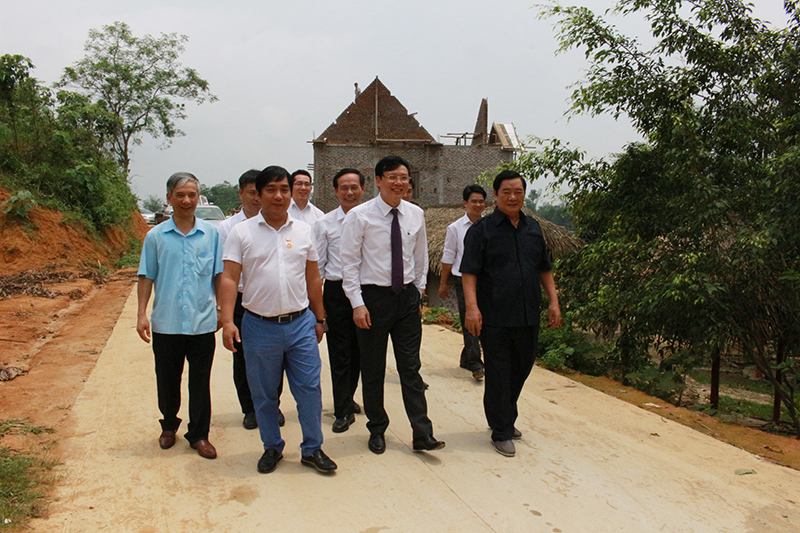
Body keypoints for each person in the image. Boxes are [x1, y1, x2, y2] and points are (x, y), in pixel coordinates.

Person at [220, 166, 336, 474]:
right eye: (271, 190)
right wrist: (228, 320)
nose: (279, 196)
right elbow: (230, 278)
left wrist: (320, 317)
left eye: (284, 189)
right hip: (259, 326)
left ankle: (313, 448)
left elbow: (313, 278)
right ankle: (272, 447)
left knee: (310, 390)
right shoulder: (241, 233)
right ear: (258, 194)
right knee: (265, 394)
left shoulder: (303, 230)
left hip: (300, 325)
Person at [340, 155, 444, 455]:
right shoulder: (359, 216)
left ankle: (422, 433)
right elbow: (349, 264)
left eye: (404, 177)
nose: (400, 182)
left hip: (407, 299)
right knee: (372, 368)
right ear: (378, 181)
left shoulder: (415, 214)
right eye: (393, 177)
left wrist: (419, 291)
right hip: (373, 300)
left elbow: (421, 257)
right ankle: (377, 429)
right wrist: (357, 304)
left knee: (411, 367)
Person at [461, 170, 563, 458]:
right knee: (499, 372)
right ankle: (501, 429)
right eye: (506, 191)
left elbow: (544, 268)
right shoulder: (481, 231)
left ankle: (505, 414)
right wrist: (472, 308)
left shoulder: (533, 229)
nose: (512, 196)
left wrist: (553, 302)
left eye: (518, 191)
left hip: (528, 314)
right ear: (496, 195)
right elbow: (469, 271)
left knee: (522, 367)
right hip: (494, 315)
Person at [136, 172, 223, 460]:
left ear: (199, 197)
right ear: (169, 198)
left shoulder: (211, 235)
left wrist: (222, 310)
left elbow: (219, 276)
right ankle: (169, 425)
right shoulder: (156, 236)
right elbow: (147, 276)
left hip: (202, 323)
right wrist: (141, 314)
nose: (187, 200)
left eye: (192, 195)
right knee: (167, 378)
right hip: (167, 322)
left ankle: (199, 435)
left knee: (200, 381)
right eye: (181, 195)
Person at [217, 170, 285, 430]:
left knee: (274, 358)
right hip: (241, 302)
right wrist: (225, 312)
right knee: (243, 358)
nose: (257, 198)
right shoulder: (228, 228)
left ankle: (272, 405)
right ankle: (250, 408)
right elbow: (226, 273)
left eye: (261, 192)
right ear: (241, 194)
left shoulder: (275, 223)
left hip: (269, 301)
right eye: (252, 193)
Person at [313, 168, 365, 433]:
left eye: (354, 187)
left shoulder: (372, 219)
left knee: (361, 352)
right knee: (340, 352)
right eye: (343, 187)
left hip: (366, 293)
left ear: (364, 189)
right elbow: (318, 268)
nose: (349, 192)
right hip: (336, 292)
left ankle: (349, 396)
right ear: (335, 191)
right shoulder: (325, 224)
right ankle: (342, 410)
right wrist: (318, 309)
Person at [438, 184, 486, 380]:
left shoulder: (489, 226)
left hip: (485, 280)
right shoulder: (455, 228)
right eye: (473, 201)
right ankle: (475, 363)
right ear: (465, 203)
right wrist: (442, 283)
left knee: (484, 319)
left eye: (481, 201)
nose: (477, 205)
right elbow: (448, 256)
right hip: (462, 279)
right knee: (470, 319)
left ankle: (467, 358)